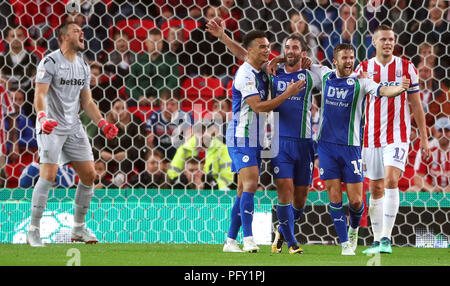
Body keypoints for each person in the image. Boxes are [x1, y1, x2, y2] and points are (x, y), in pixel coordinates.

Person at [207, 20, 316, 254]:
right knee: (251, 184)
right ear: (252, 50)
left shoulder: (263, 68)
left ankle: (229, 241)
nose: (268, 51)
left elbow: (244, 51)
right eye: (262, 47)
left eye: (268, 46)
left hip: (256, 137)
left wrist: (224, 37)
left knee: (242, 190)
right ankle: (248, 239)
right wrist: (287, 93)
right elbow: (258, 107)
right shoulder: (245, 74)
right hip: (241, 135)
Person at [311, 43, 411, 255]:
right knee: (335, 196)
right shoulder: (324, 75)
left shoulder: (362, 82)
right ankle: (346, 243)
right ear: (335, 61)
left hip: (351, 148)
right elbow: (301, 65)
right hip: (327, 147)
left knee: (356, 201)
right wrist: (284, 60)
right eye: (344, 58)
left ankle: (354, 228)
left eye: (351, 57)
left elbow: (383, 90)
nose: (349, 61)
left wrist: (399, 88)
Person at [27, 21, 119, 247]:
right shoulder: (49, 62)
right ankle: (33, 229)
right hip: (51, 125)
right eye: (77, 31)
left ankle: (78, 229)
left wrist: (102, 123)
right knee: (48, 175)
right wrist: (42, 117)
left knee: (89, 175)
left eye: (82, 31)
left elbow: (86, 101)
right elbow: (39, 94)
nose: (82, 34)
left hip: (74, 126)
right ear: (64, 37)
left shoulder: (83, 64)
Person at [356, 25, 430, 255]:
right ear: (374, 42)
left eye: (391, 39)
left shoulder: (406, 67)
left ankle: (387, 238)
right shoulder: (363, 68)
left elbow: (416, 105)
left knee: (390, 180)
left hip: (397, 136)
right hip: (370, 136)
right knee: (376, 188)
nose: (388, 43)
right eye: (383, 40)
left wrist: (425, 138)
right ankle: (377, 240)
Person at [167, 123, 233, 190]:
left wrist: (210, 185)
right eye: (199, 132)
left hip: (214, 189)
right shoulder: (184, 148)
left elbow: (227, 177)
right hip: (187, 188)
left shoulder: (222, 149)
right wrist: (189, 181)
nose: (202, 135)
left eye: (205, 131)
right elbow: (173, 174)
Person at [125, 28, 180, 106]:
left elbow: (174, 82)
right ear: (146, 42)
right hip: (138, 101)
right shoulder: (138, 61)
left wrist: (158, 98)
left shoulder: (170, 61)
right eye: (153, 42)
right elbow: (129, 84)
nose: (156, 45)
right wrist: (139, 97)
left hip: (164, 101)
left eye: (159, 42)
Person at [146, 92, 194, 160]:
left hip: (180, 153)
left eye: (173, 104)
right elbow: (149, 141)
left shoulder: (185, 117)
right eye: (165, 104)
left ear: (179, 106)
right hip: (159, 154)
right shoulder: (154, 117)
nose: (168, 107)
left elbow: (190, 138)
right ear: (161, 106)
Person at [414, 117, 449, 193]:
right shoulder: (426, 149)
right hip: (431, 189)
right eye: (440, 130)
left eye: (447, 130)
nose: (443, 134)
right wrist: (431, 189)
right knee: (412, 190)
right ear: (434, 131)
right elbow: (418, 177)